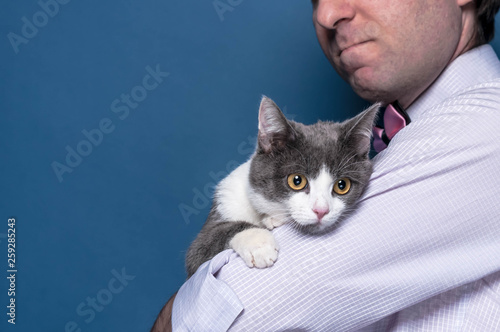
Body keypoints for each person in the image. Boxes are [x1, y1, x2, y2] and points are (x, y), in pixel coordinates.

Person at [152, 0, 500, 330]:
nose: (327, 15)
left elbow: (238, 313)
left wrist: (176, 313)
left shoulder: (488, 127)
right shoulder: (398, 142)